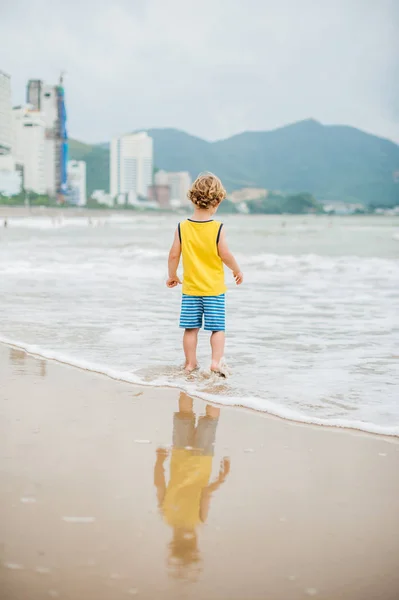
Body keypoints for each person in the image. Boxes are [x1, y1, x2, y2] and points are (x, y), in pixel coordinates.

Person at [166, 172, 243, 375]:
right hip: (213, 289)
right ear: (217, 201)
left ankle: (190, 363)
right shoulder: (217, 227)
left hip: (191, 289)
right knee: (217, 328)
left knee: (190, 329)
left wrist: (172, 275)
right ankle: (215, 363)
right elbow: (224, 254)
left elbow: (174, 255)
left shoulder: (182, 227)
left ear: (193, 198)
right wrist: (236, 269)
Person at [154, 392, 230, 579]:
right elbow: (159, 484)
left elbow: (206, 493)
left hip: (202, 459)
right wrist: (159, 461)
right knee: (185, 413)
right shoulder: (166, 515)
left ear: (193, 542)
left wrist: (222, 477)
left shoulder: (198, 520)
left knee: (210, 418)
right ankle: (189, 381)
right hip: (180, 453)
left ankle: (216, 385)